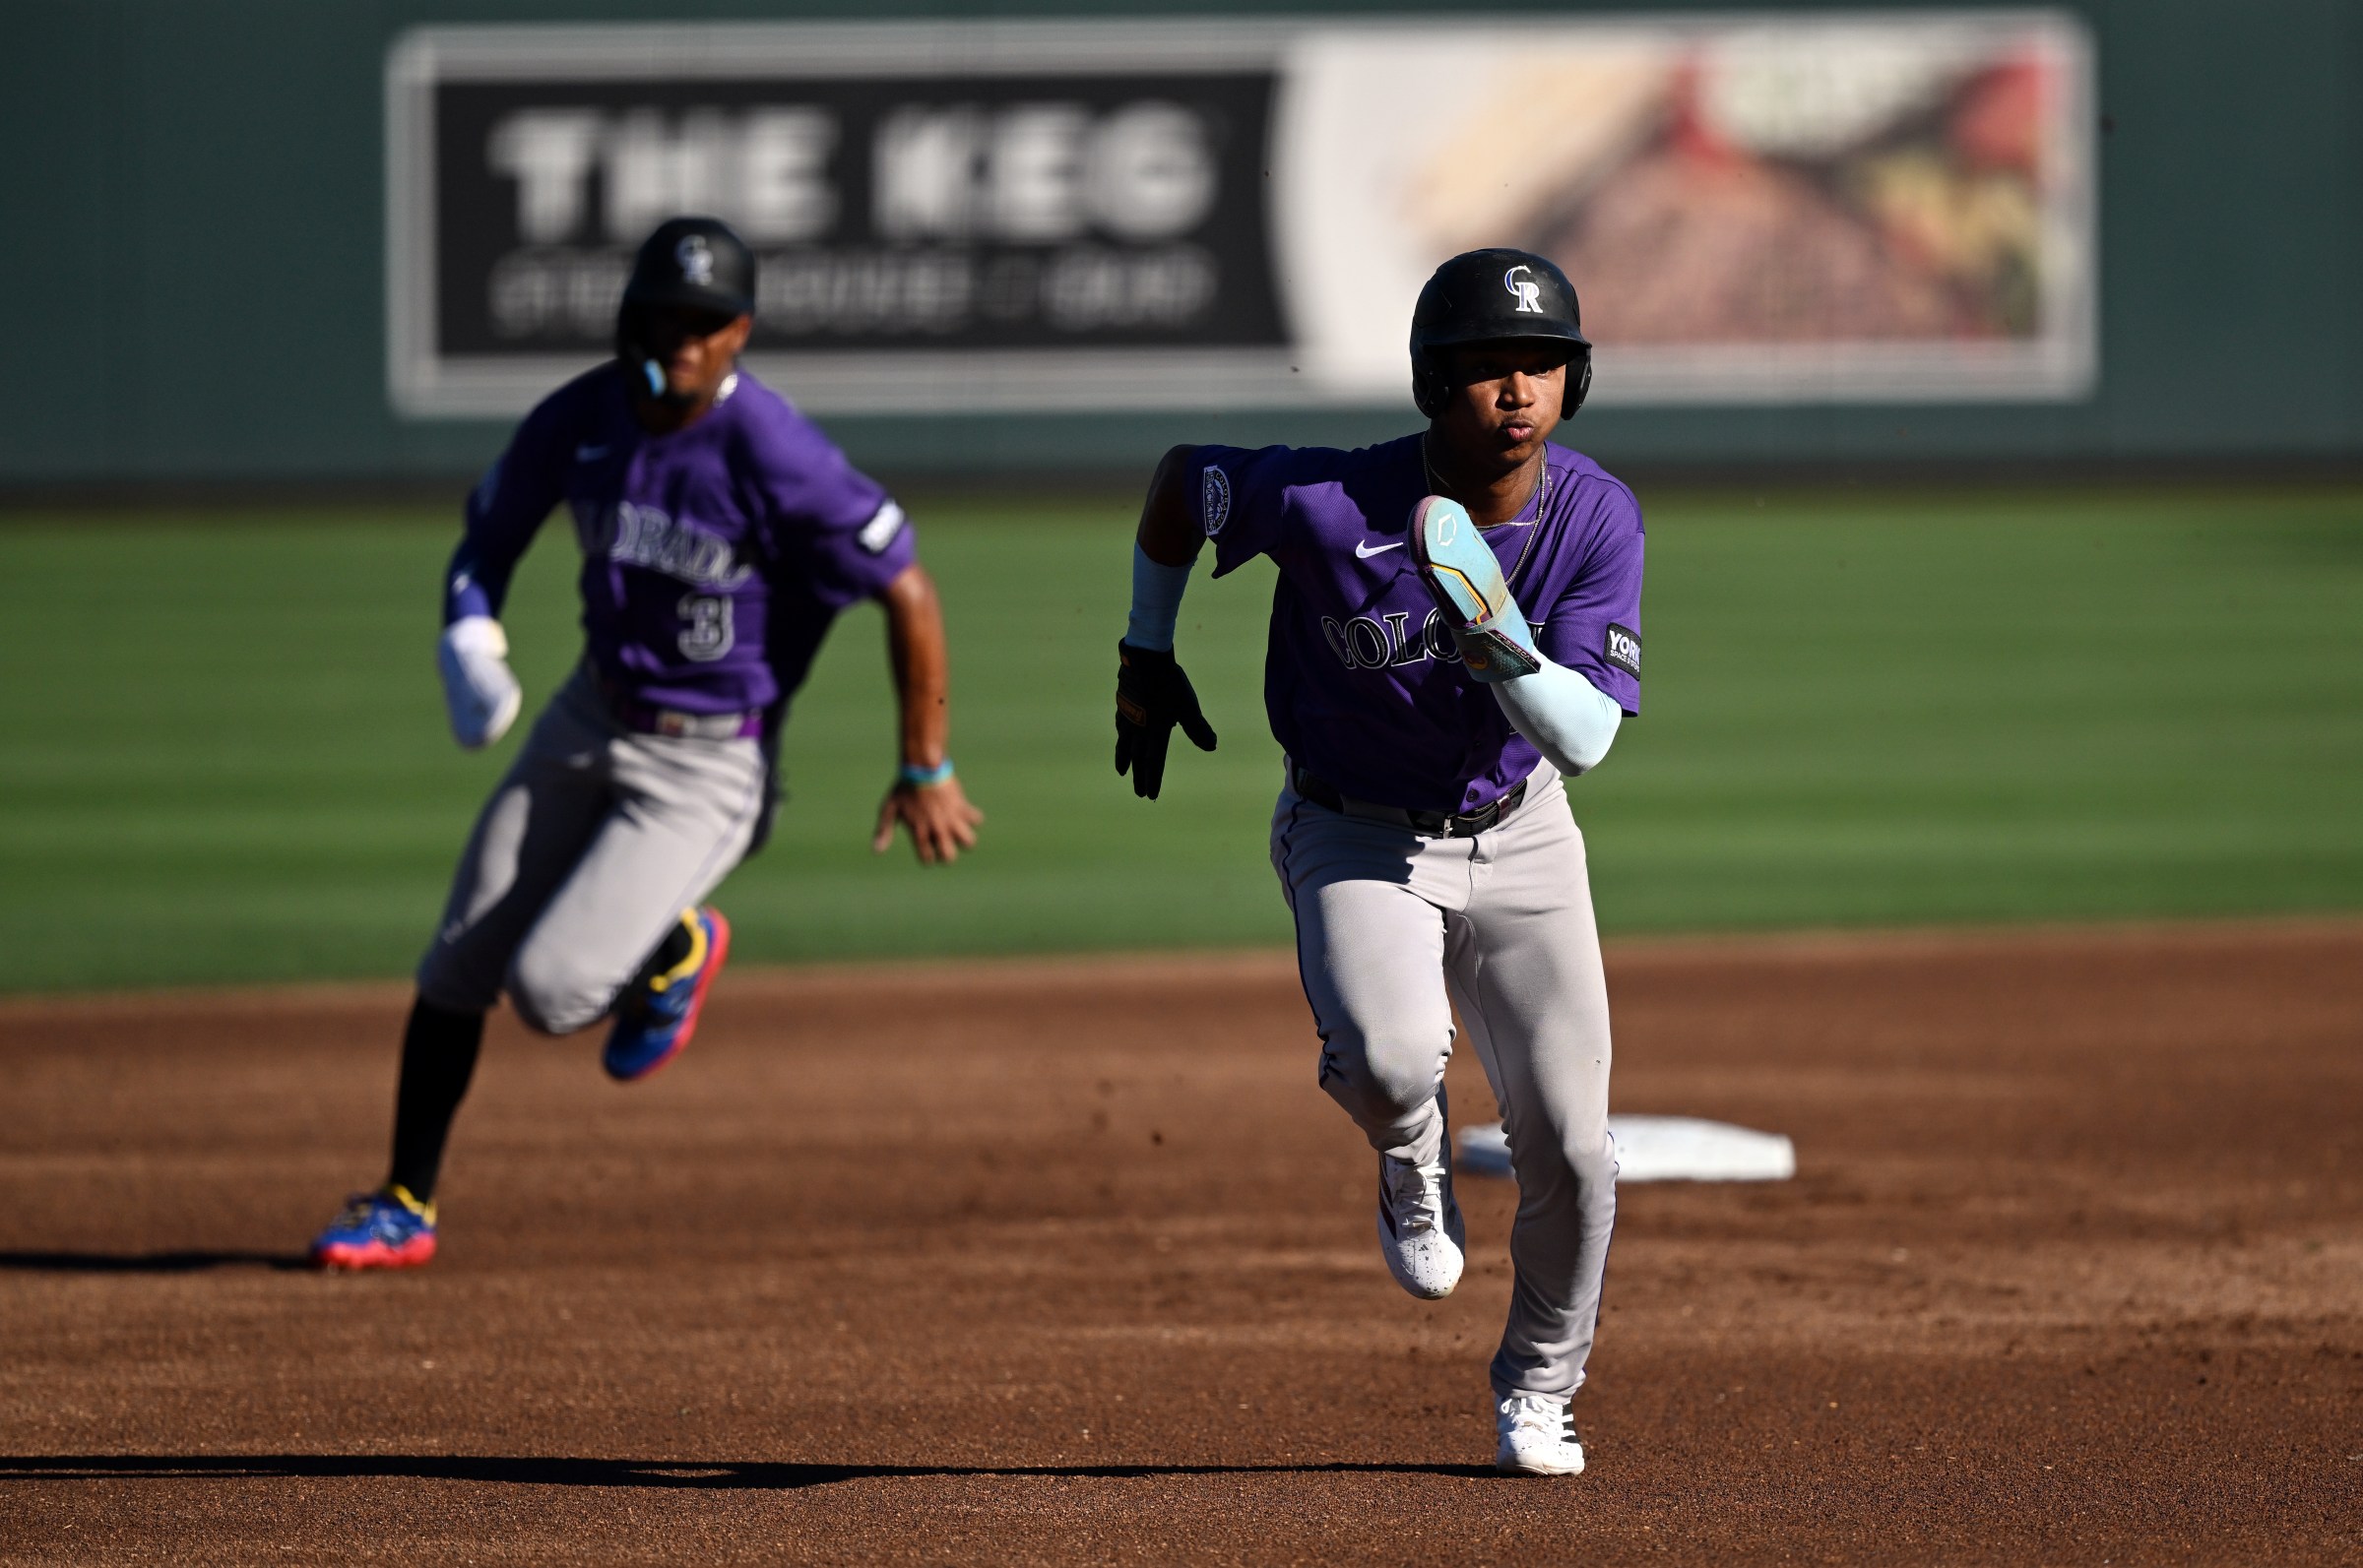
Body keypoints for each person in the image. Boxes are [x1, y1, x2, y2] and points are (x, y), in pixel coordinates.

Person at [310, 217, 982, 1270]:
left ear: (740, 332)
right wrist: (470, 634)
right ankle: (404, 1198)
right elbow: (485, 538)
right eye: (664, 315)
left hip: (709, 764)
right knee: (456, 964)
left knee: (551, 991)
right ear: (628, 316)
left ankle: (680, 945)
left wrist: (924, 762)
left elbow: (906, 585)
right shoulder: (583, 419)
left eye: (706, 322)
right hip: (590, 714)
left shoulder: (772, 450)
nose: (683, 337)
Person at [1113, 249, 1641, 1476]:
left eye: (1541, 364)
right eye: (1482, 368)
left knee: (1573, 1147)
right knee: (1394, 1061)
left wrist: (1498, 640)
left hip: (1523, 833)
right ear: (1427, 383)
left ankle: (1540, 1389)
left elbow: (1588, 739)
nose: (1515, 389)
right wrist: (1147, 646)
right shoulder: (1326, 502)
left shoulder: (1597, 517)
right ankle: (1412, 1153)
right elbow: (1179, 484)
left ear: (1575, 381)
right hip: (1354, 833)